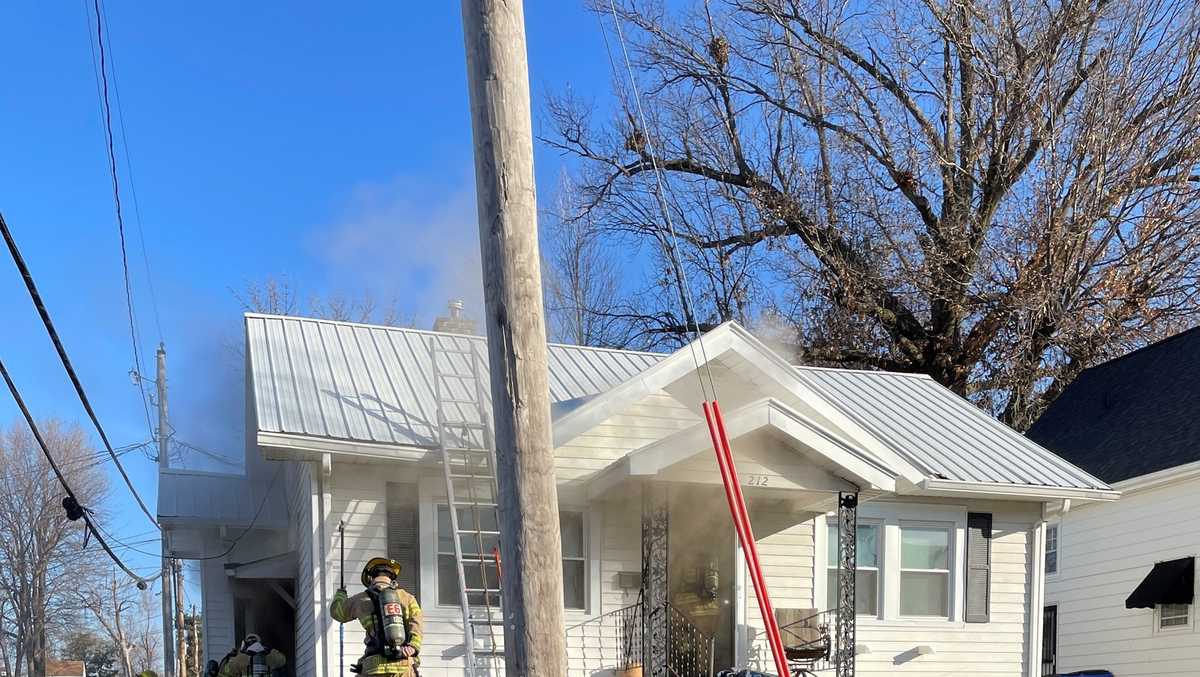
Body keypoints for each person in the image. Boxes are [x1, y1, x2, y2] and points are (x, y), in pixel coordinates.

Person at [330, 557, 424, 676]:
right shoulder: (407, 597)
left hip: (373, 667)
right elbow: (417, 623)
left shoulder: (360, 599)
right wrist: (413, 646)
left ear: (371, 578)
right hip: (403, 665)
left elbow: (337, 613)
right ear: (391, 577)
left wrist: (341, 594)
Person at [217, 633, 287, 677]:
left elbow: (226, 673)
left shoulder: (239, 658)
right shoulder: (269, 656)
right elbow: (282, 660)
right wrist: (271, 650)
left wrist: (231, 657)